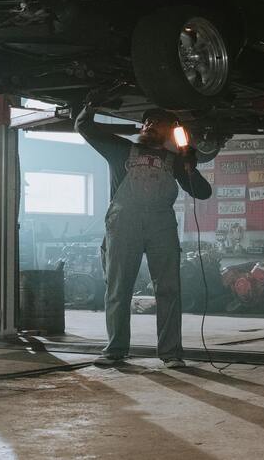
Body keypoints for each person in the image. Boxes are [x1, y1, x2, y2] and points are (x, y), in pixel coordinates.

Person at [76, 103, 213, 368]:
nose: (150, 125)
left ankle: (171, 353)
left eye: (158, 123)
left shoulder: (174, 161)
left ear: (168, 132)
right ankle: (115, 349)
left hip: (160, 223)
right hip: (124, 222)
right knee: (118, 288)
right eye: (147, 122)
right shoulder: (121, 149)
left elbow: (203, 192)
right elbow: (84, 127)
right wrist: (89, 106)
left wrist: (190, 166)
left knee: (169, 289)